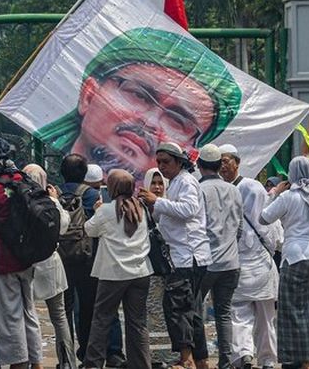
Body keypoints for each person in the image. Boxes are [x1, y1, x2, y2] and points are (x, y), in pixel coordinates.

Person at [38, 27, 243, 181]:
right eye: (138, 95)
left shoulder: (183, 195)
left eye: (177, 121)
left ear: (191, 152)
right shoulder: (40, 179)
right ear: (89, 95)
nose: (150, 122)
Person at [259, 156, 309, 369]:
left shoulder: (289, 196)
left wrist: (274, 193)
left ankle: (306, 362)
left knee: (297, 311)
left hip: (297, 257)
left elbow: (264, 218)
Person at [139, 142, 212, 369]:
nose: (161, 166)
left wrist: (157, 201)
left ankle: (186, 359)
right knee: (190, 310)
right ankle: (200, 359)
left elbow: (188, 210)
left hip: (187, 256)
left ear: (179, 162)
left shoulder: (186, 182)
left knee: (178, 309)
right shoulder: (175, 183)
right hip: (183, 256)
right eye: (159, 162)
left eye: (166, 162)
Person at [58, 154, 125, 367]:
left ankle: (65, 358)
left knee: (63, 311)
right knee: (89, 308)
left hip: (61, 260)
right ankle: (89, 354)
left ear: (62, 172)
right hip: (88, 259)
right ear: (84, 173)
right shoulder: (93, 195)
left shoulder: (54, 193)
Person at [0, 138, 43, 369]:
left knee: (10, 318)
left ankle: (19, 364)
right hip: (27, 259)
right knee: (29, 314)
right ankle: (36, 362)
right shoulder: (24, 180)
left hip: (2, 261)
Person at [84, 169, 153, 368]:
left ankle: (93, 364)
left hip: (113, 274)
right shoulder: (141, 208)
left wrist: (97, 209)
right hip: (140, 272)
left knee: (102, 320)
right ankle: (141, 364)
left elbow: (90, 229)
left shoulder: (106, 210)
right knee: (137, 323)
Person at [219, 144, 280, 369]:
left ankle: (246, 355)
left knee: (243, 316)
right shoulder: (252, 188)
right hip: (253, 262)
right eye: (220, 162)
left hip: (244, 262)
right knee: (261, 318)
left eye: (226, 161)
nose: (223, 166)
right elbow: (271, 230)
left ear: (237, 162)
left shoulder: (233, 189)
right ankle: (263, 359)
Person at [24, 164, 79, 369]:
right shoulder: (50, 202)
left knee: (29, 315)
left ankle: (32, 361)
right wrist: (55, 200)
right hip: (51, 263)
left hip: (28, 263)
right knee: (59, 316)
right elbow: (63, 227)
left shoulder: (21, 200)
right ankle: (67, 362)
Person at [194, 144, 243, 369]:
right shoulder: (234, 190)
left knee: (195, 311)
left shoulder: (198, 190)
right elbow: (239, 228)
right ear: (218, 165)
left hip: (206, 262)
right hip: (231, 261)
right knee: (224, 313)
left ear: (199, 165)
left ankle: (200, 358)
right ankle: (225, 360)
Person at [142, 167, 175, 368]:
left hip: (170, 266)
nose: (157, 187)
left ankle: (166, 353)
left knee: (168, 310)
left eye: (160, 183)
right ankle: (154, 354)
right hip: (150, 266)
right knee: (153, 309)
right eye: (153, 183)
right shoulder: (141, 207)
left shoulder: (170, 206)